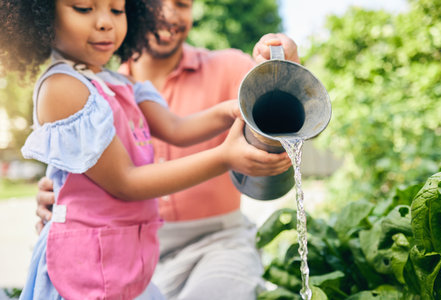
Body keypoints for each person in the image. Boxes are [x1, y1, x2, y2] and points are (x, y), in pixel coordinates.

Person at [0, 0, 292, 299]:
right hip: (85, 268)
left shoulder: (118, 82)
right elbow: (126, 182)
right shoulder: (62, 88)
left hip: (122, 258)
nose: (105, 22)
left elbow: (177, 128)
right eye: (83, 8)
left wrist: (235, 109)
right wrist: (224, 157)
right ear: (45, 16)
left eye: (116, 10)